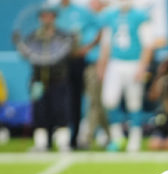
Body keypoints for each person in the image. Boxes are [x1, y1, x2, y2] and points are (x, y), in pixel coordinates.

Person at [15, 5, 75, 151]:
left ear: (54, 18)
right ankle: (41, 143)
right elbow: (26, 54)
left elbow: (70, 52)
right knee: (39, 112)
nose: (47, 19)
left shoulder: (63, 36)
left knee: (61, 111)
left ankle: (63, 143)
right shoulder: (33, 36)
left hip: (58, 79)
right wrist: (18, 44)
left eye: (50, 16)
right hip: (38, 80)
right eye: (44, 16)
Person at [97, 0, 153, 152]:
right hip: (115, 63)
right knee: (109, 100)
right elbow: (106, 43)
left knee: (134, 102)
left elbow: (148, 44)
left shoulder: (140, 16)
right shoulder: (110, 15)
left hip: (133, 63)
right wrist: (102, 65)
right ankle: (117, 137)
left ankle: (135, 138)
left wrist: (142, 67)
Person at [55, 0, 100, 149]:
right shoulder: (54, 11)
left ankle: (76, 137)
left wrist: (87, 47)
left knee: (78, 100)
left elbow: (98, 28)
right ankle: (59, 135)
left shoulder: (82, 12)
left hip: (78, 60)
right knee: (60, 99)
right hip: (59, 61)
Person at [78, 0, 109, 149]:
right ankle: (110, 135)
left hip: (100, 65)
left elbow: (105, 44)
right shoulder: (87, 20)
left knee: (95, 102)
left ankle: (88, 136)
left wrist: (101, 66)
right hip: (88, 65)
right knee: (97, 101)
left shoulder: (106, 19)